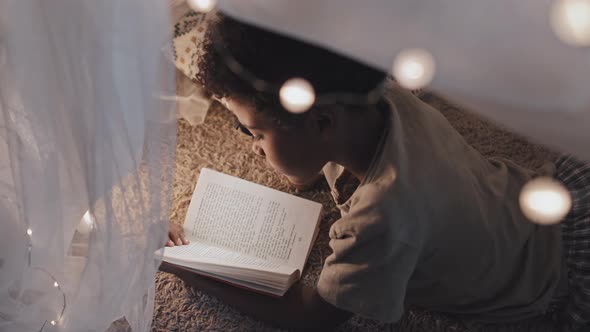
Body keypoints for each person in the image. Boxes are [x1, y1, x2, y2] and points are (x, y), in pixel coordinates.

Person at [163, 13, 590, 332]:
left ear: (322, 123)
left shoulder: (380, 220)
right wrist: (288, 150)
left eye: (253, 132)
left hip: (542, 288)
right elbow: (305, 165)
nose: (250, 147)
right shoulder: (383, 98)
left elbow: (313, 317)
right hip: (548, 209)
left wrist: (190, 269)